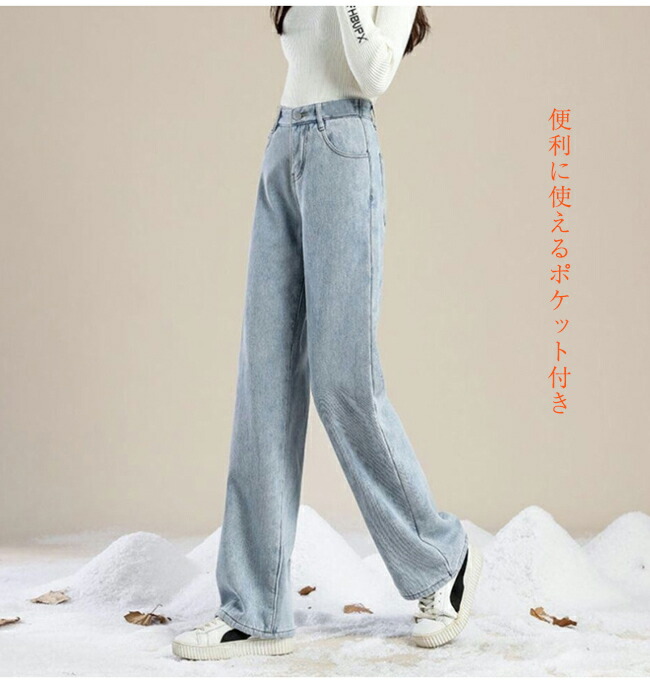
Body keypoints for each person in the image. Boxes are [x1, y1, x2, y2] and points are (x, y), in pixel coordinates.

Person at [172, 6, 482, 662]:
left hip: (345, 147)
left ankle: (441, 559)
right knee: (263, 384)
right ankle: (253, 610)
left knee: (345, 381)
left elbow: (374, 74)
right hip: (283, 143)